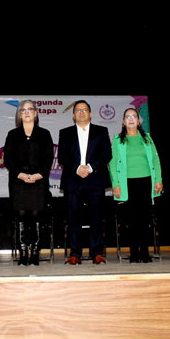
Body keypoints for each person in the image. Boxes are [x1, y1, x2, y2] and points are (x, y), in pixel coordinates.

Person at [58, 100, 112, 265]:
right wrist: (77, 168)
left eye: (85, 110)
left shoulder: (101, 131)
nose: (81, 113)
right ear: (73, 115)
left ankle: (97, 253)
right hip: (73, 180)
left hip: (95, 179)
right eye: (78, 110)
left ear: (90, 113)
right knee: (74, 218)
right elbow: (62, 156)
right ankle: (75, 253)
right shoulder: (65, 132)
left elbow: (106, 154)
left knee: (96, 217)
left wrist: (90, 167)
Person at [3, 100, 54, 266]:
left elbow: (48, 157)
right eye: (22, 110)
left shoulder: (44, 133)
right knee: (22, 216)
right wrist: (20, 174)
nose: (26, 112)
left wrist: (40, 174)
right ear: (19, 114)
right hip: (19, 181)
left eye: (29, 109)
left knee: (36, 215)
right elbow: (8, 159)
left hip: (39, 180)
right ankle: (23, 253)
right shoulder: (12, 134)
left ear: (36, 113)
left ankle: (35, 253)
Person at [109, 108, 163, 263]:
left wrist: (158, 179)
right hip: (127, 183)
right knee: (131, 220)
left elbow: (155, 160)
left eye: (134, 116)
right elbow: (112, 164)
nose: (131, 119)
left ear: (139, 121)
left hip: (146, 182)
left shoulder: (147, 138)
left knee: (144, 219)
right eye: (128, 116)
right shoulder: (118, 139)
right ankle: (133, 253)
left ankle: (145, 253)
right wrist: (115, 184)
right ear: (123, 121)